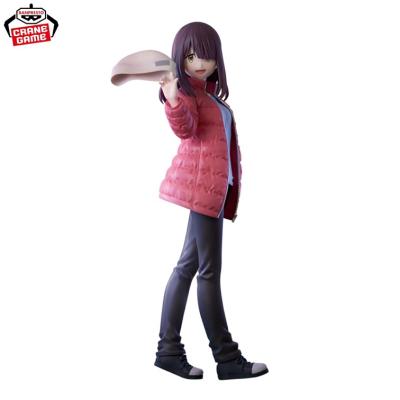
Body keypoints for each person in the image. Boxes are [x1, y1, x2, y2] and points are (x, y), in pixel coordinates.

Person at [154, 21, 268, 380]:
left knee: (186, 268)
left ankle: (168, 351)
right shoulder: (188, 96)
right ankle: (227, 358)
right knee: (207, 273)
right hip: (203, 193)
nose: (200, 63)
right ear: (180, 60)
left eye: (206, 55)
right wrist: (173, 97)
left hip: (213, 194)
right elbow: (185, 127)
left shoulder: (212, 98)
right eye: (191, 56)